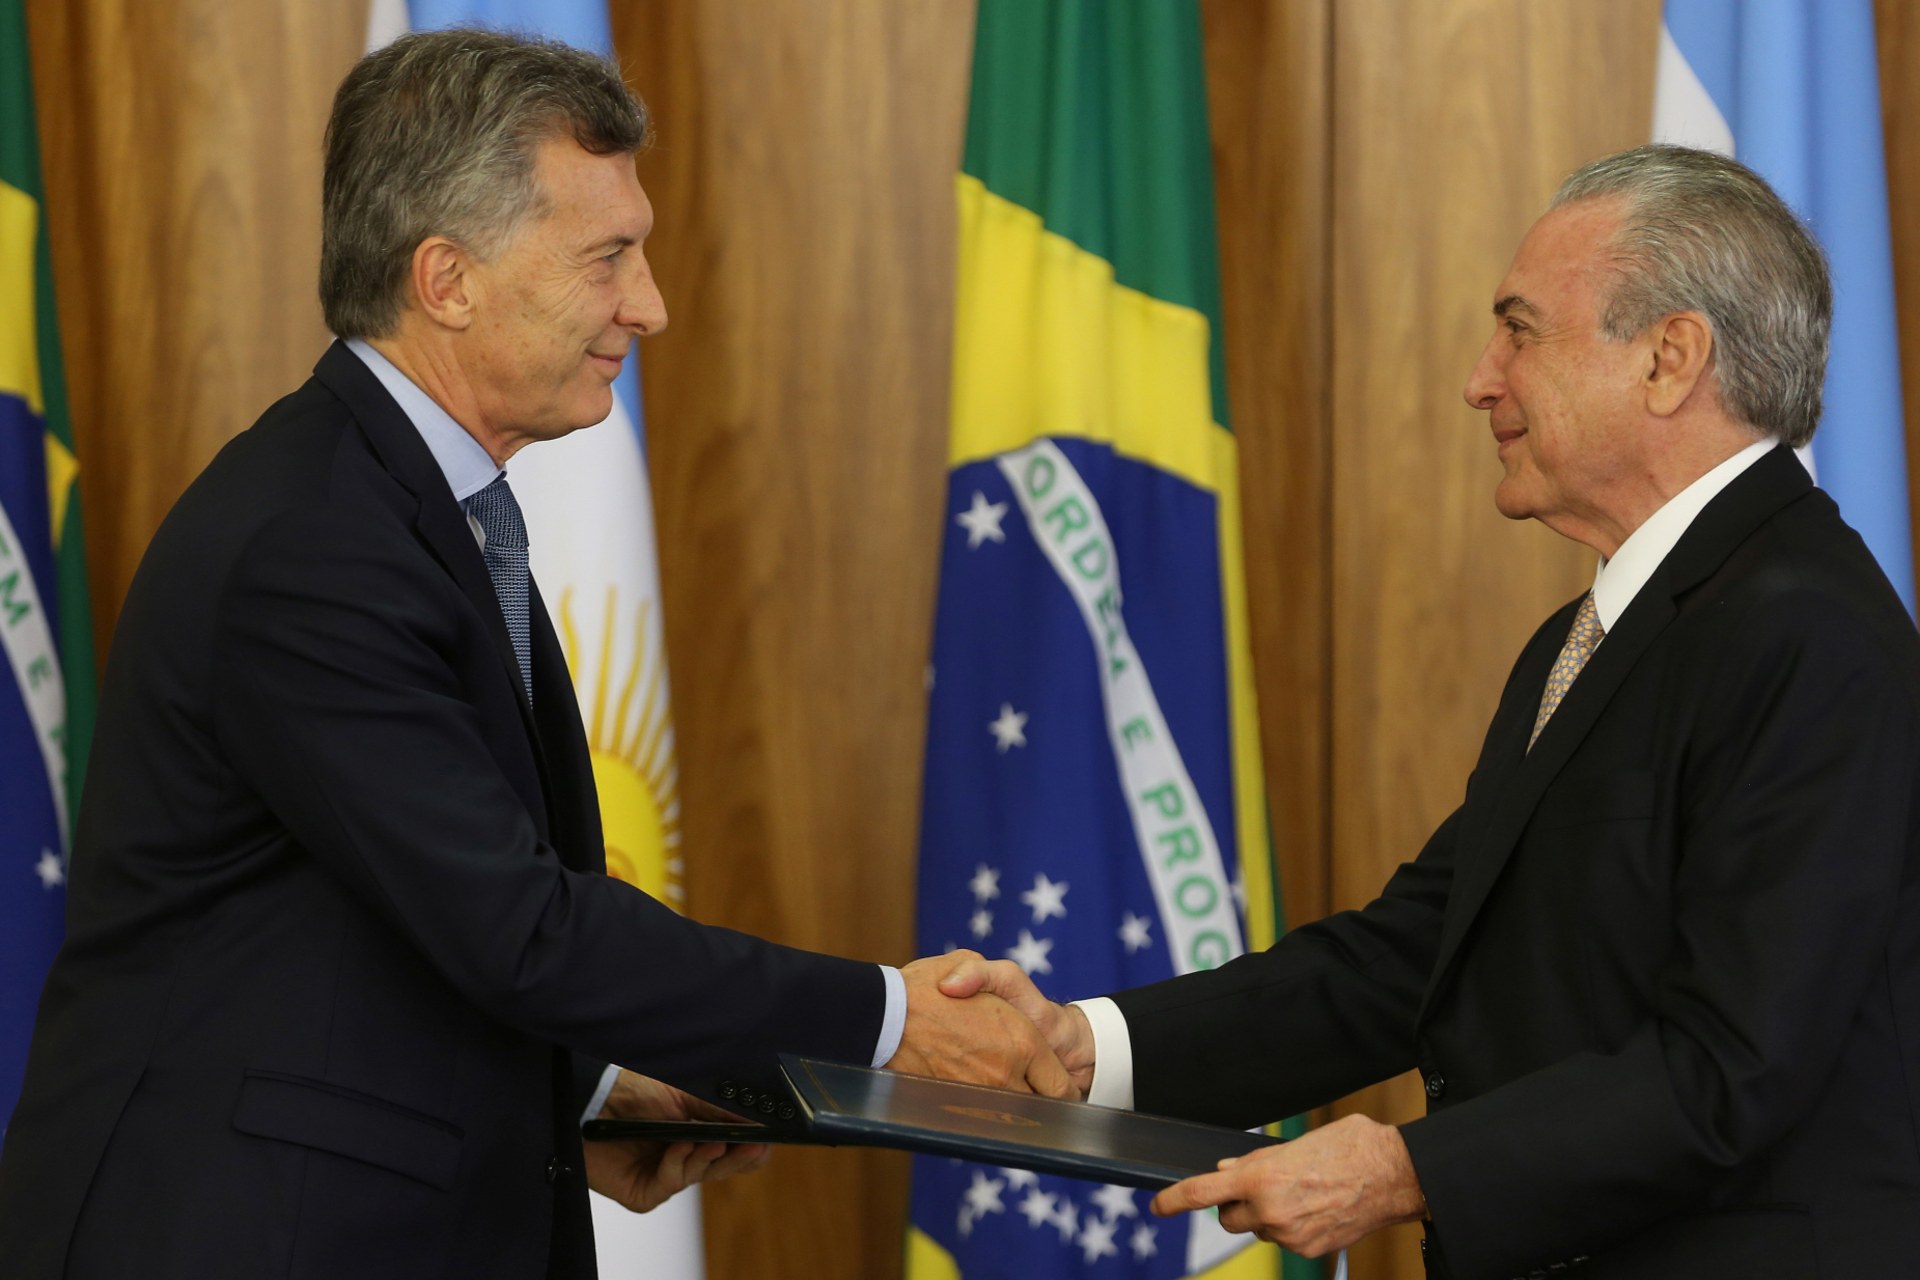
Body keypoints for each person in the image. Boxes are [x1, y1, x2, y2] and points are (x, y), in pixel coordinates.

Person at [0, 30, 1064, 1280]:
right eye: (608, 256)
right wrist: (889, 1025)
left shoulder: (408, 507)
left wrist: (586, 1089)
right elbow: (523, 926)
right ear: (446, 279)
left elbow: (379, 932)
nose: (651, 303)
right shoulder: (312, 544)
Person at [947, 144, 1920, 1278]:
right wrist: (1088, 1044)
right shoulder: (1588, 638)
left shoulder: (1808, 632)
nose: (1480, 378)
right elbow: (1412, 957)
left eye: (1521, 329)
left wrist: (1407, 1168)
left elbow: (1732, 1066)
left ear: (1670, 358)